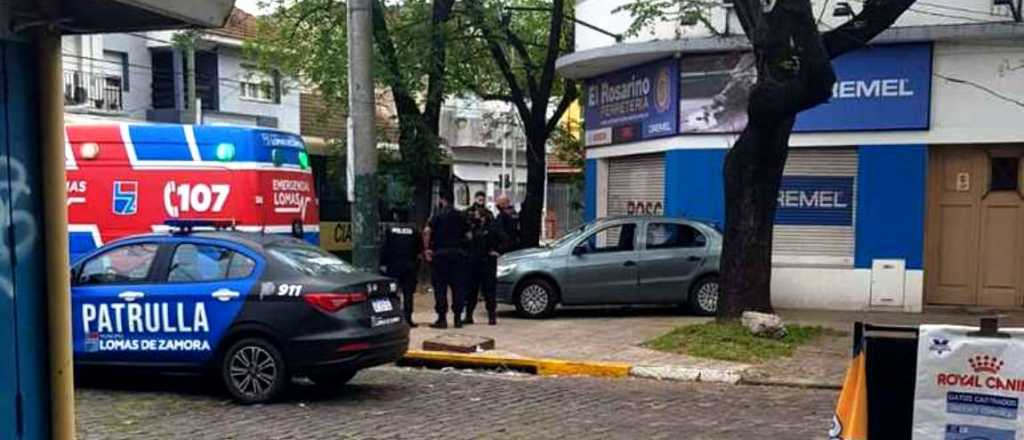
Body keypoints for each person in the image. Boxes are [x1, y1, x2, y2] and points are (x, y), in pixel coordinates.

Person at [422, 193, 470, 329]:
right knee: (458, 287)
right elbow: (469, 235)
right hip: (458, 255)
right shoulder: (461, 215)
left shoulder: (437, 215)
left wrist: (427, 249)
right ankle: (457, 318)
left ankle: (442, 318)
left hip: (441, 254)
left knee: (440, 287)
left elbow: (427, 231)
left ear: (443, 200)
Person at [381, 209, 421, 327]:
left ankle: (394, 316)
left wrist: (383, 263)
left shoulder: (390, 229)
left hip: (393, 266)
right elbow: (419, 248)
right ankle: (408, 318)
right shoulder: (414, 229)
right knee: (408, 293)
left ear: (396, 217)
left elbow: (385, 247)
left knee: (392, 292)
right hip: (409, 265)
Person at [464, 199, 500, 325]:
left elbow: (504, 239)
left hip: (487, 263)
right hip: (474, 263)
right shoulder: (472, 229)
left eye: (477, 216)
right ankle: (469, 315)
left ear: (483, 217)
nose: (475, 218)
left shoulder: (491, 229)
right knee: (471, 291)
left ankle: (491, 316)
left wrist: (497, 251)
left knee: (489, 291)